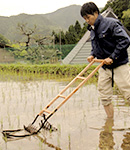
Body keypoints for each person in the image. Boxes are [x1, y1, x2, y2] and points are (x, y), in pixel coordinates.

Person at [80, 2, 130, 118]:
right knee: (104, 96)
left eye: (88, 17)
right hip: (104, 66)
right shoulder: (92, 29)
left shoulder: (111, 24)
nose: (87, 21)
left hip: (119, 65)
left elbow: (125, 40)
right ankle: (109, 122)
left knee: (128, 93)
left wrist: (112, 57)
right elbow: (96, 45)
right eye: (85, 19)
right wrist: (92, 54)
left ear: (96, 13)